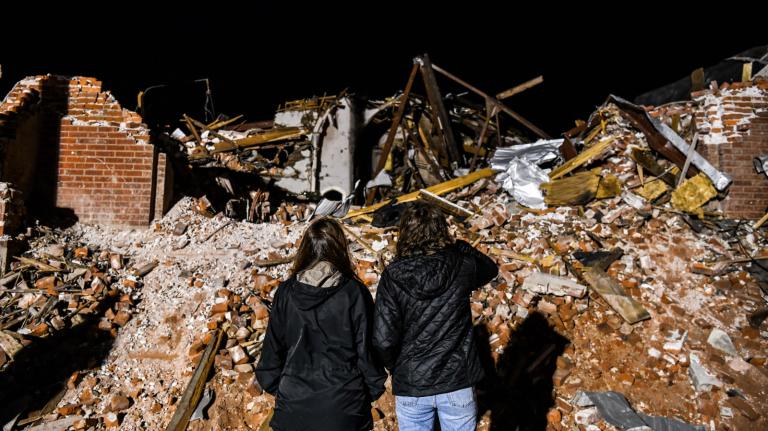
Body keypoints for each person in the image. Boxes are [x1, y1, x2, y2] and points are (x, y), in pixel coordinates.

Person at [373, 202, 498, 431]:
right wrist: (461, 246)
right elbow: (490, 269)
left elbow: (383, 339)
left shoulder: (392, 276)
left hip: (412, 384)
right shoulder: (462, 266)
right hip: (456, 381)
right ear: (442, 230)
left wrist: (398, 367)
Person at [255, 218, 386, 431]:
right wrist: (367, 391)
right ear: (340, 248)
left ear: (305, 249)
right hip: (345, 406)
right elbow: (367, 352)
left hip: (294, 407)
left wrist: (286, 391)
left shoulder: (286, 293)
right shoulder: (354, 293)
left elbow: (271, 353)